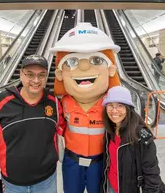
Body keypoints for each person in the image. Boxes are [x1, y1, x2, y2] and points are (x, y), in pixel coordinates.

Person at [49, 22, 121, 193]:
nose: (84, 67)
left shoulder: (112, 104)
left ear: (111, 70)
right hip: (72, 160)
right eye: (72, 61)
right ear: (60, 73)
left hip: (101, 161)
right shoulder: (62, 102)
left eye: (96, 59)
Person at [0, 54, 63, 193]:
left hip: (47, 180)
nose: (36, 80)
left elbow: (65, 131)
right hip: (13, 184)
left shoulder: (53, 103)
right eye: (30, 74)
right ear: (21, 74)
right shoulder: (2, 102)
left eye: (41, 75)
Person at [101, 86, 162, 193]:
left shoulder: (141, 135)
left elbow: (152, 171)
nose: (114, 110)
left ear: (128, 108)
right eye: (110, 105)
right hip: (111, 187)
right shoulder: (109, 131)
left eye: (120, 105)